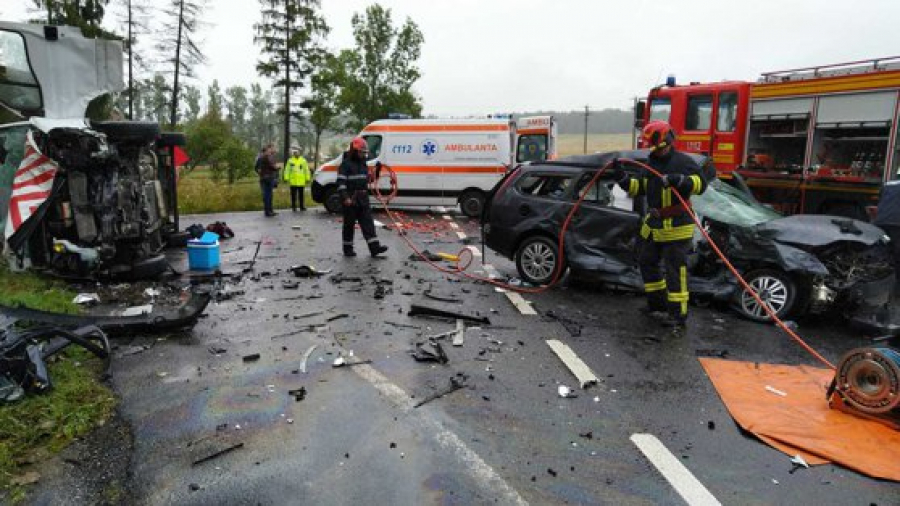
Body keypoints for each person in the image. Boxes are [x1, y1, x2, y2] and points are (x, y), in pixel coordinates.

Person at [613, 120, 711, 330]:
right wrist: (621, 178)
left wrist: (680, 181)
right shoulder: (651, 163)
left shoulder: (682, 162)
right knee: (647, 261)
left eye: (660, 147)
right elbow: (639, 187)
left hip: (677, 226)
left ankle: (678, 314)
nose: (657, 152)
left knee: (675, 270)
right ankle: (657, 304)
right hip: (656, 224)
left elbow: (701, 184)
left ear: (667, 142)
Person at [338, 137, 388, 257]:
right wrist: (346, 198)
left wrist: (377, 171)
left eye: (365, 152)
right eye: (362, 152)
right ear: (355, 151)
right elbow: (340, 184)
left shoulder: (363, 164)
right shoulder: (345, 165)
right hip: (351, 200)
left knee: (368, 224)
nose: (364, 154)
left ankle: (374, 248)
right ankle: (348, 249)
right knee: (349, 225)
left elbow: (369, 180)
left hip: (363, 199)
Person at [283, 146, 311, 211]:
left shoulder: (303, 160)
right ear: (293, 153)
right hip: (293, 181)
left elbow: (306, 170)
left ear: (299, 153)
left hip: (301, 181)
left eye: (297, 152)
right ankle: (294, 207)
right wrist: (286, 178)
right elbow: (287, 170)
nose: (296, 154)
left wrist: (307, 178)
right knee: (293, 195)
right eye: (294, 153)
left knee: (301, 195)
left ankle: (302, 206)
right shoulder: (290, 161)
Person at [255, 143, 278, 217]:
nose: (273, 150)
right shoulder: (263, 157)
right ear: (267, 150)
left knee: (269, 195)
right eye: (271, 148)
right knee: (266, 195)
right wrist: (261, 174)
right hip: (266, 178)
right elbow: (257, 168)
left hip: (269, 177)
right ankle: (267, 211)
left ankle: (270, 210)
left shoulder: (270, 157)